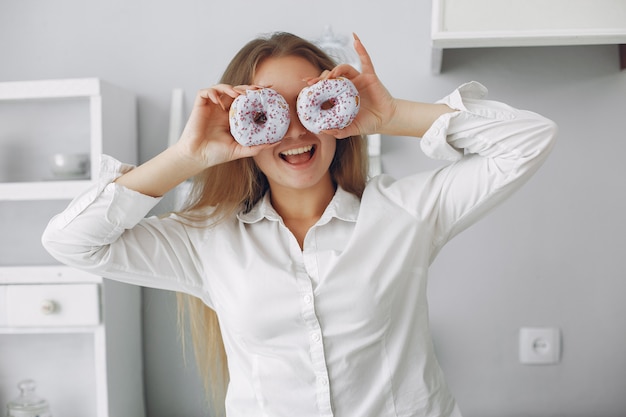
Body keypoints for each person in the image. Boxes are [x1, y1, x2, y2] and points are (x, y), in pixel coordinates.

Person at [42, 32, 557, 417]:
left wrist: (392, 114)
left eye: (313, 105)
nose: (294, 128)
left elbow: (528, 140)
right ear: (239, 123)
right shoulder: (206, 240)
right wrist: (188, 154)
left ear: (339, 115)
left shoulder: (406, 212)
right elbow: (71, 243)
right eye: (268, 111)